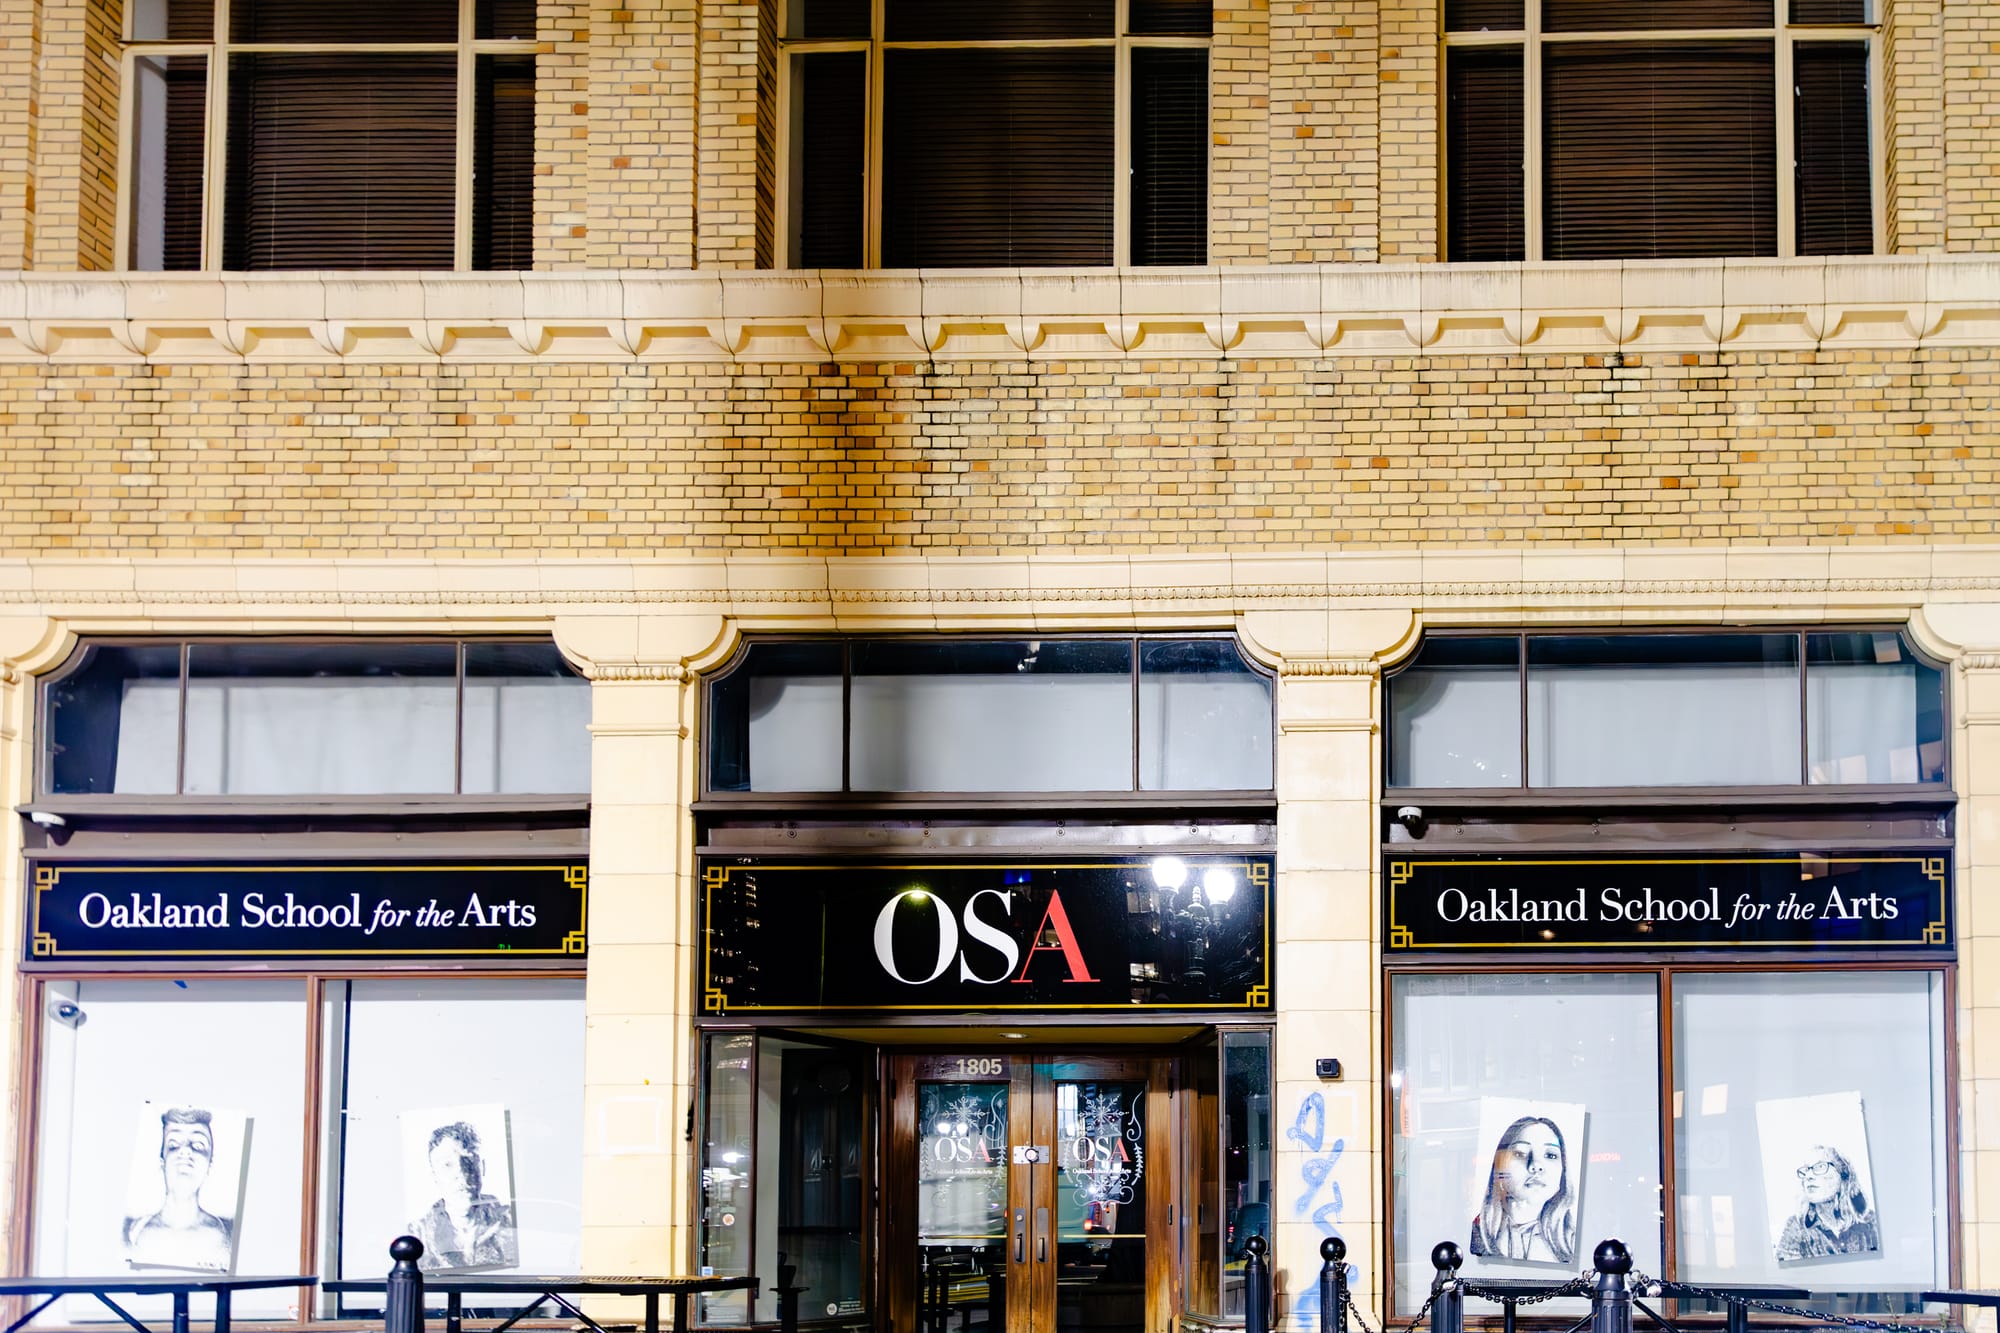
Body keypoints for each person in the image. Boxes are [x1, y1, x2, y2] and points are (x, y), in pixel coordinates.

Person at [124, 1107, 234, 1271]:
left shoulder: (228, 1237)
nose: (185, 1151)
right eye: (174, 1144)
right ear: (163, 1160)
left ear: (210, 1163)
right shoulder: (131, 1235)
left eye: (198, 1145)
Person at [410, 1121, 518, 1271]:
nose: (461, 1173)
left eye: (468, 1160)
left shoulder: (510, 1221)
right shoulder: (417, 1233)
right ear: (435, 1175)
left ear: (482, 1167)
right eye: (447, 1165)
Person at [1469, 1114, 1576, 1264]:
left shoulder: (1572, 1240)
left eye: (1550, 1155)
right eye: (1520, 1153)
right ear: (1500, 1166)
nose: (1536, 1165)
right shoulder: (1477, 1234)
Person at [1775, 1145, 1879, 1260]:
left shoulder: (1870, 1221)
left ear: (1843, 1174)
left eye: (1820, 1167)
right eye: (1806, 1170)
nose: (1808, 1176)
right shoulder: (1796, 1226)